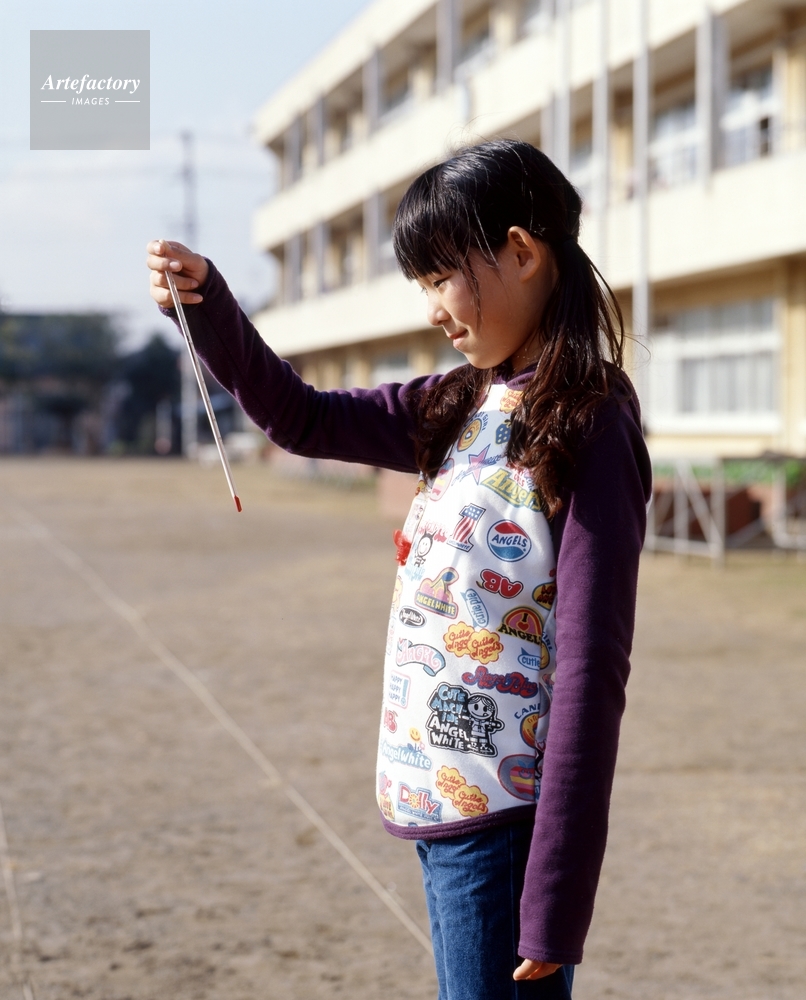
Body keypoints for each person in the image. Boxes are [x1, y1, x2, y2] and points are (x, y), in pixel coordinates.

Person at [146, 139, 652, 1000]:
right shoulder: (456, 402)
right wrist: (209, 307)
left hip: (505, 826)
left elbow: (591, 666)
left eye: (441, 277)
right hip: (437, 808)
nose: (431, 310)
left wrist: (555, 902)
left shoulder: (589, 421)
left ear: (522, 253)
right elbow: (302, 418)